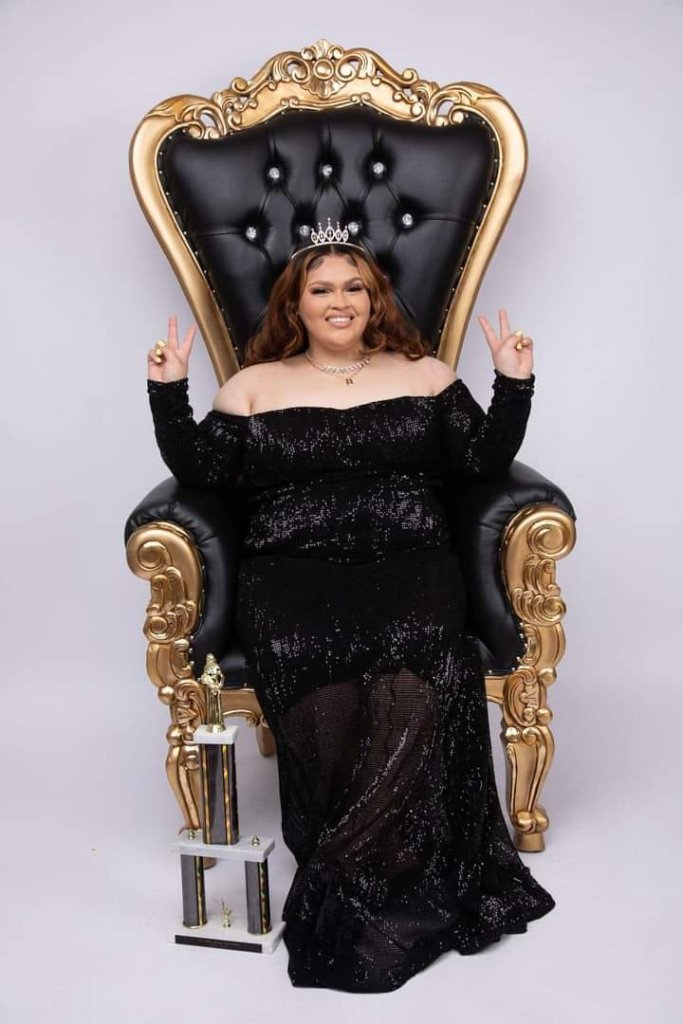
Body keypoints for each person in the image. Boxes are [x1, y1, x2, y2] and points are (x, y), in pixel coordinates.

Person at [146, 225, 555, 993]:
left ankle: (352, 858)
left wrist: (512, 383)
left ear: (375, 300)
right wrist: (168, 391)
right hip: (290, 569)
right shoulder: (252, 386)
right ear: (295, 305)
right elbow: (200, 473)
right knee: (312, 657)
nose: (340, 301)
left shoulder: (424, 373)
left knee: (419, 659)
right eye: (322, 289)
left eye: (354, 288)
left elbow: (479, 463)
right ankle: (368, 847)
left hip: (409, 558)